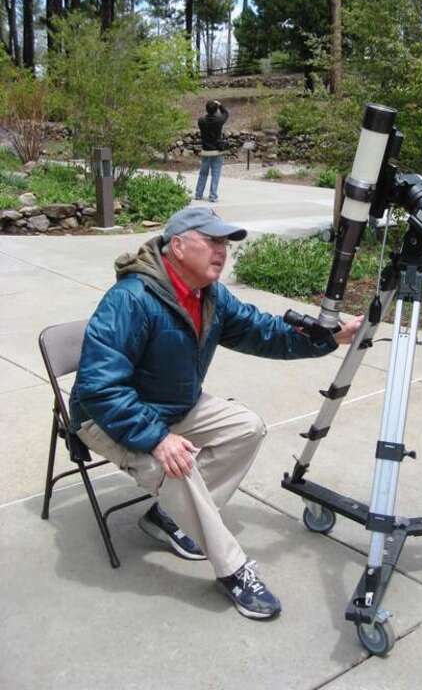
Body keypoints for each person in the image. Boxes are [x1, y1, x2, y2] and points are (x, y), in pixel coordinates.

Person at [69, 206, 362, 620]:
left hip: (170, 402)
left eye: (225, 243)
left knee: (248, 428)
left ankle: (168, 516)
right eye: (212, 241)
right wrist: (157, 438)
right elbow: (100, 387)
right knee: (179, 466)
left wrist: (328, 338)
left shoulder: (210, 295)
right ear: (177, 245)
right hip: (106, 415)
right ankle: (234, 569)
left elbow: (263, 331)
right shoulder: (131, 299)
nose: (222, 251)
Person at [195, 100, 229, 202]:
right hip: (217, 151)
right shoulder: (219, 120)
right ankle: (213, 195)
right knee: (216, 174)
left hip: (205, 151)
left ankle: (198, 194)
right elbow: (226, 113)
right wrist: (220, 105)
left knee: (203, 173)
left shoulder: (201, 121)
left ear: (206, 109)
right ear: (216, 110)